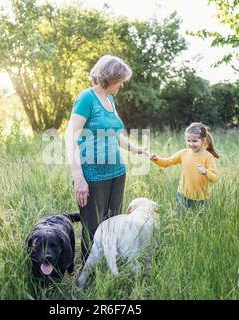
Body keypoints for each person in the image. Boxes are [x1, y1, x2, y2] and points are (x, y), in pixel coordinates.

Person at [65, 55, 148, 262]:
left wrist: (136, 149)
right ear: (110, 77)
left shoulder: (110, 99)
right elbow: (70, 137)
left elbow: (114, 134)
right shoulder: (86, 98)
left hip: (117, 172)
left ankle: (108, 265)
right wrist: (79, 177)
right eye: (121, 80)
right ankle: (88, 273)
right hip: (93, 175)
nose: (122, 85)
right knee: (93, 227)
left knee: (113, 223)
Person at [149, 122, 220, 213]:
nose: (191, 144)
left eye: (195, 141)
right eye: (188, 141)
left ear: (203, 140)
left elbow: (215, 178)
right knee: (179, 217)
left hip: (201, 198)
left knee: (198, 221)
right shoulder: (184, 153)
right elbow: (167, 162)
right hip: (183, 195)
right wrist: (156, 159)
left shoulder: (208, 157)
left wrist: (206, 171)